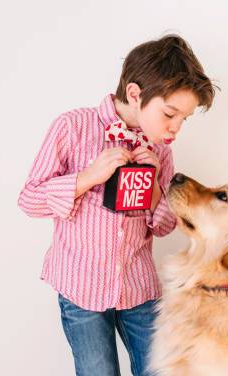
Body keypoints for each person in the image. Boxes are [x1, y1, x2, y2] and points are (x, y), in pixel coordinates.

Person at [17, 34, 216, 375]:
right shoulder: (72, 128)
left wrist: (155, 187)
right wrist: (88, 177)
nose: (176, 128)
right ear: (136, 94)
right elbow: (29, 199)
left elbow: (164, 226)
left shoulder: (161, 152)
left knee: (160, 369)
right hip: (81, 288)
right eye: (170, 114)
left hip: (138, 287)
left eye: (183, 119)